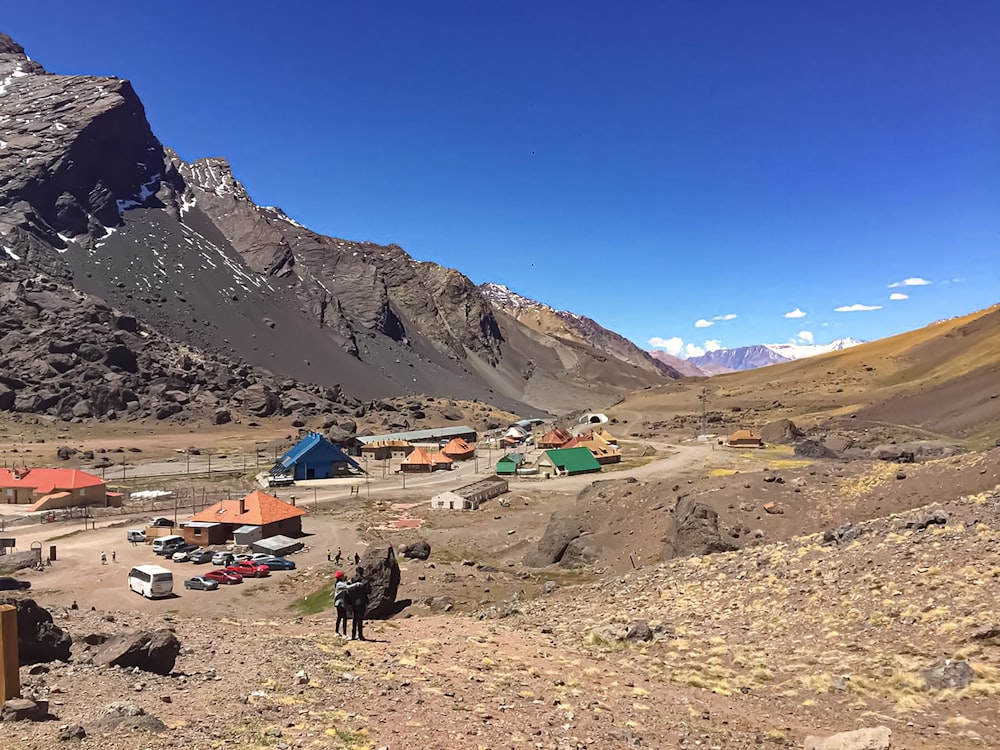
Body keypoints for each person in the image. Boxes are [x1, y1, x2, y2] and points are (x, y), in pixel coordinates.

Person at [346, 566, 370, 641]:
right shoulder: (365, 581)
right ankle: (360, 635)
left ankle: (353, 635)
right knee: (360, 619)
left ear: (356, 572)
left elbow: (348, 589)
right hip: (362, 601)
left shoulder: (353, 580)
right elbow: (369, 591)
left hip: (354, 601)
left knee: (354, 618)